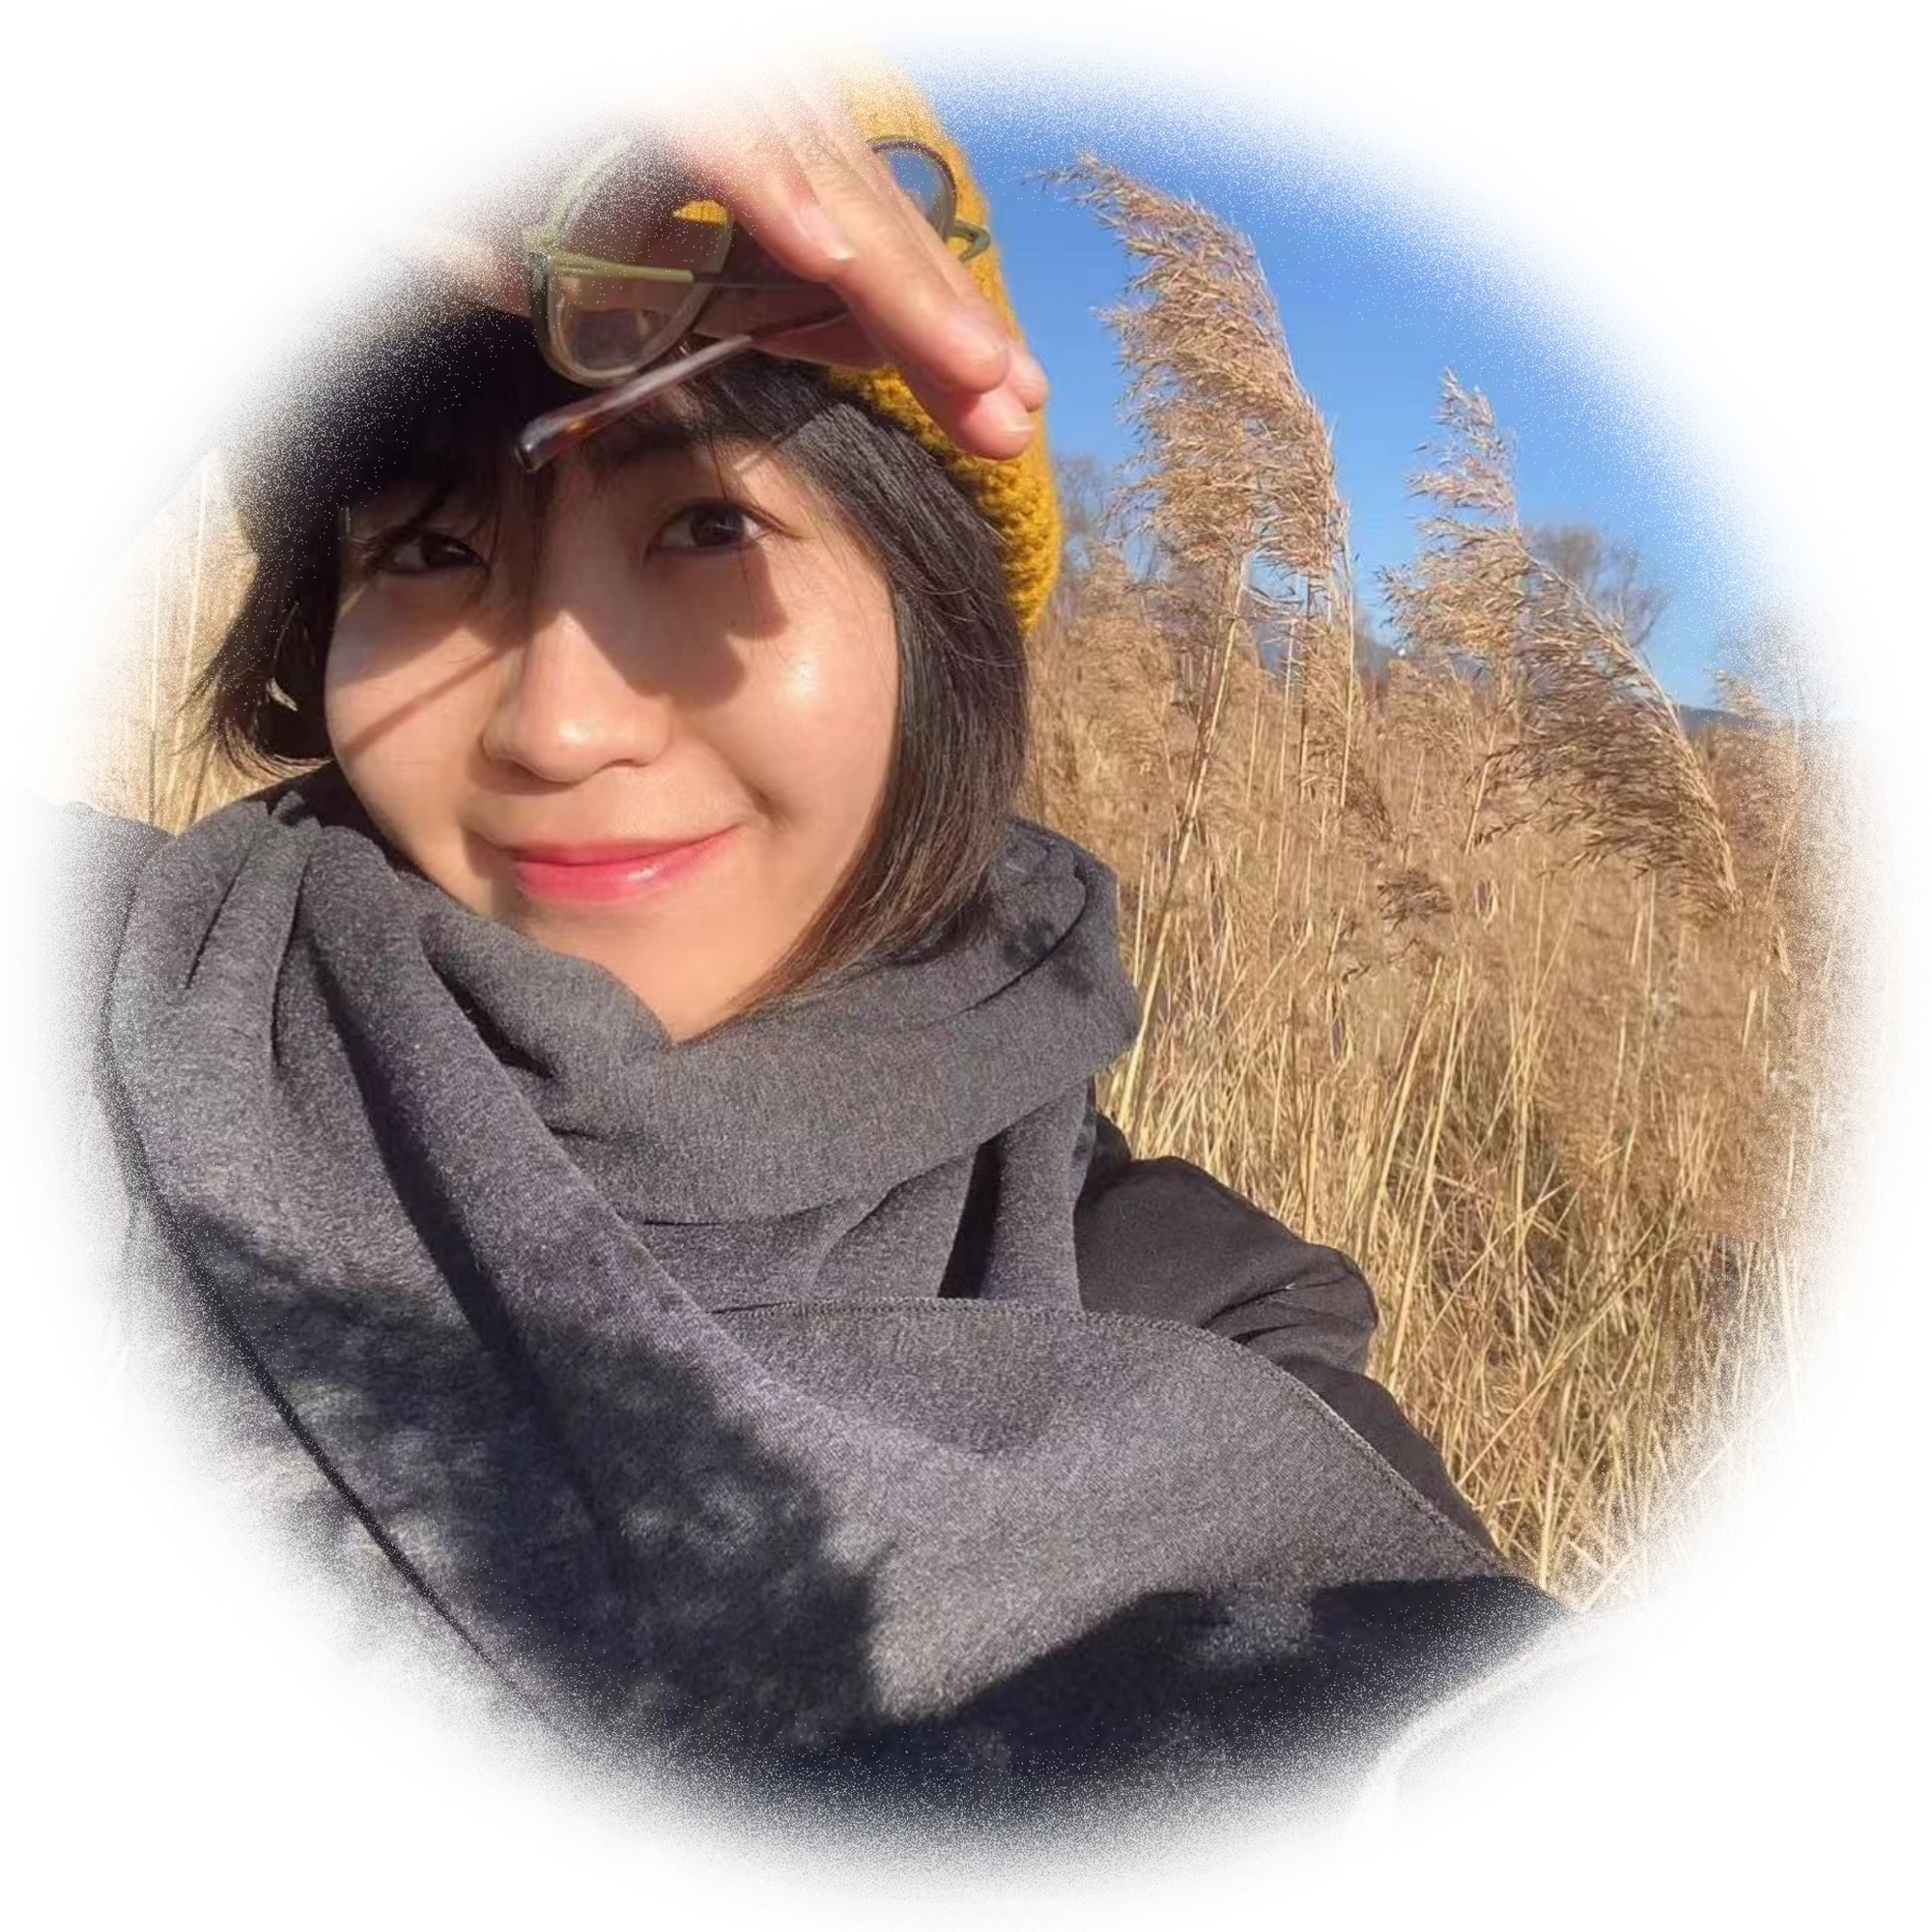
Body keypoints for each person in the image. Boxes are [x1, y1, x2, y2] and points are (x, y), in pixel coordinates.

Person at [58, 67, 1556, 1824]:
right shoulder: (104, 1001)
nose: (554, 726)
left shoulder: (1187, 1327)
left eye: (709, 527)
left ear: (939, 629)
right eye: (433, 549)